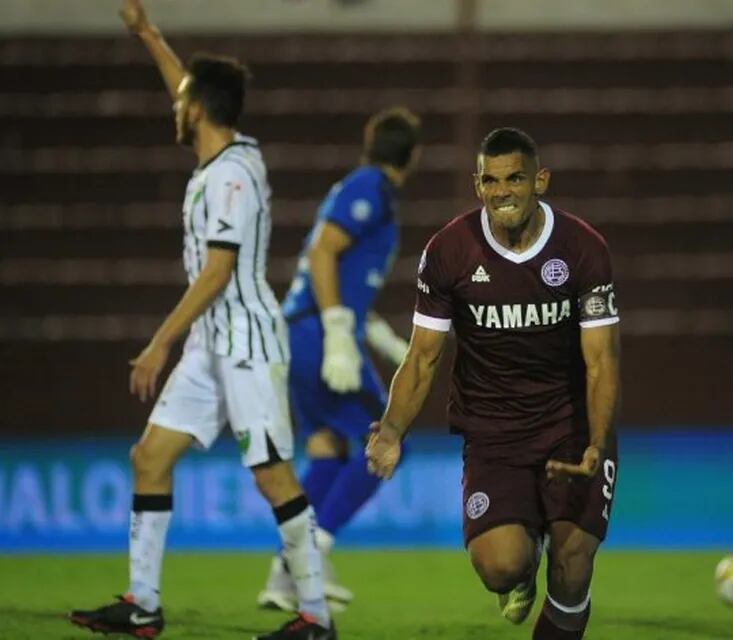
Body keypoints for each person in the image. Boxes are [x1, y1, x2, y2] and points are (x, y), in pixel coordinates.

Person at [69, 2, 335, 639]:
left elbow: (217, 273)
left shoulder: (232, 179)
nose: (174, 107)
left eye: (181, 100)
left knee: (272, 477)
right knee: (149, 457)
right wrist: (148, 34)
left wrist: (157, 344)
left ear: (198, 110)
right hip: (212, 343)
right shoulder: (225, 155)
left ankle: (316, 619)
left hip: (244, 342)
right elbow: (187, 86)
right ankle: (143, 603)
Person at [366, 127, 620, 640]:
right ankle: (520, 572)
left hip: (570, 427)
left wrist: (596, 441)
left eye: (515, 179)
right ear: (477, 185)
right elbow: (421, 357)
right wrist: (392, 430)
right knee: (501, 565)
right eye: (491, 180)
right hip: (494, 435)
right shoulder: (449, 252)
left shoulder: (583, 250)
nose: (503, 191)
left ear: (540, 181)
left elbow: (602, 361)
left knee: (572, 565)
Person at [257, 107, 421, 613]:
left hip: (304, 330)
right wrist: (337, 334)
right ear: (410, 156)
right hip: (316, 332)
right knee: (388, 442)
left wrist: (377, 334)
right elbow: (324, 252)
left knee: (329, 449)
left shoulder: (364, 188)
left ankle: (283, 578)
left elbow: (346, 278)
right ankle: (307, 556)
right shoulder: (369, 187)